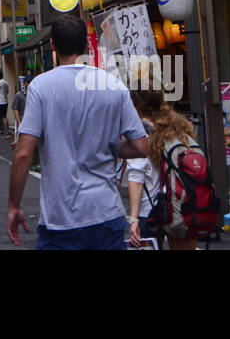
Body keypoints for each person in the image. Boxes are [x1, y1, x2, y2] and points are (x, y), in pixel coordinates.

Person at [8, 16, 149, 250]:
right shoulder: (113, 85)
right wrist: (109, 145)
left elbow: (23, 154)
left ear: (52, 45)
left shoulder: (40, 87)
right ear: (86, 45)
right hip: (106, 214)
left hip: (61, 219)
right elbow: (141, 147)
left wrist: (14, 205)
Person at [126, 87, 199, 251]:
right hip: (181, 208)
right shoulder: (178, 130)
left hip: (150, 212)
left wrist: (134, 219)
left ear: (136, 108)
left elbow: (136, 177)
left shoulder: (141, 135)